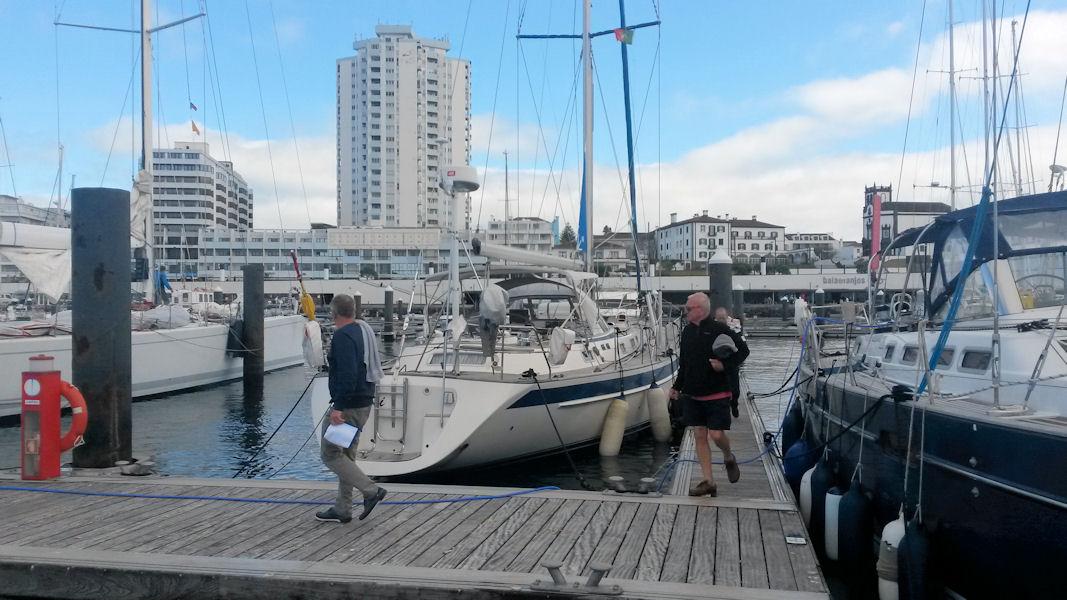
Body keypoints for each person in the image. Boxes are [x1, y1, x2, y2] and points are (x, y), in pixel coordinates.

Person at [316, 294, 387, 523]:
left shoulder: (343, 336)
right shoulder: (362, 331)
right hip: (363, 402)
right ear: (354, 312)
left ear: (334, 314)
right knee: (346, 455)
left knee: (330, 454)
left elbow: (347, 374)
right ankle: (343, 508)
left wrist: (338, 407)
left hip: (348, 407)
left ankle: (371, 491)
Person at [670, 293, 750, 497]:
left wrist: (724, 365)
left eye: (689, 308)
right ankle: (709, 481)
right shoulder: (687, 332)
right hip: (693, 394)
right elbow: (684, 364)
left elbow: (743, 351)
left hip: (717, 392)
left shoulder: (720, 329)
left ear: (701, 309)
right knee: (699, 434)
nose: (685, 312)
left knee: (716, 434)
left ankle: (728, 456)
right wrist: (677, 387)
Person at [714, 307, 745, 418]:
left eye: (723, 318)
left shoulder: (733, 329)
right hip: (717, 363)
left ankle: (734, 404)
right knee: (721, 389)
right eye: (719, 318)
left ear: (726, 317)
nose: (721, 320)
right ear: (716, 318)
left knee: (735, 390)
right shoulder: (713, 330)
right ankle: (724, 409)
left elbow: (743, 348)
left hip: (732, 362)